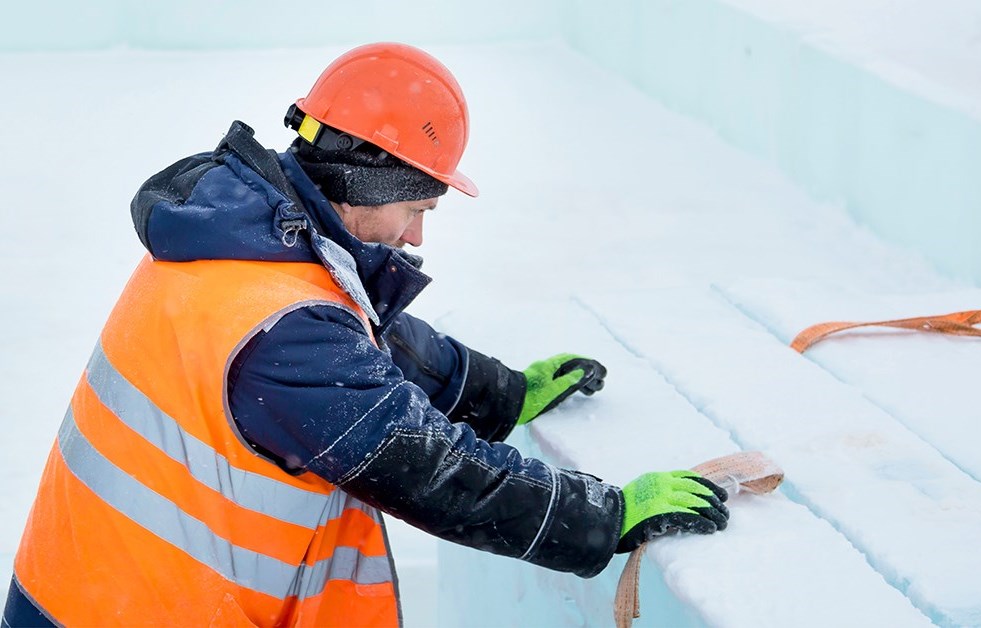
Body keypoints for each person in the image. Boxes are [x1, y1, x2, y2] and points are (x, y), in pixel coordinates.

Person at [4, 43, 729, 626]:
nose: (416, 236)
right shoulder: (284, 333)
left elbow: (361, 336)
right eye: (418, 208)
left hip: (96, 592)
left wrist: (498, 392)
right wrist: (603, 516)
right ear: (369, 181)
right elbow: (433, 473)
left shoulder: (251, 242)